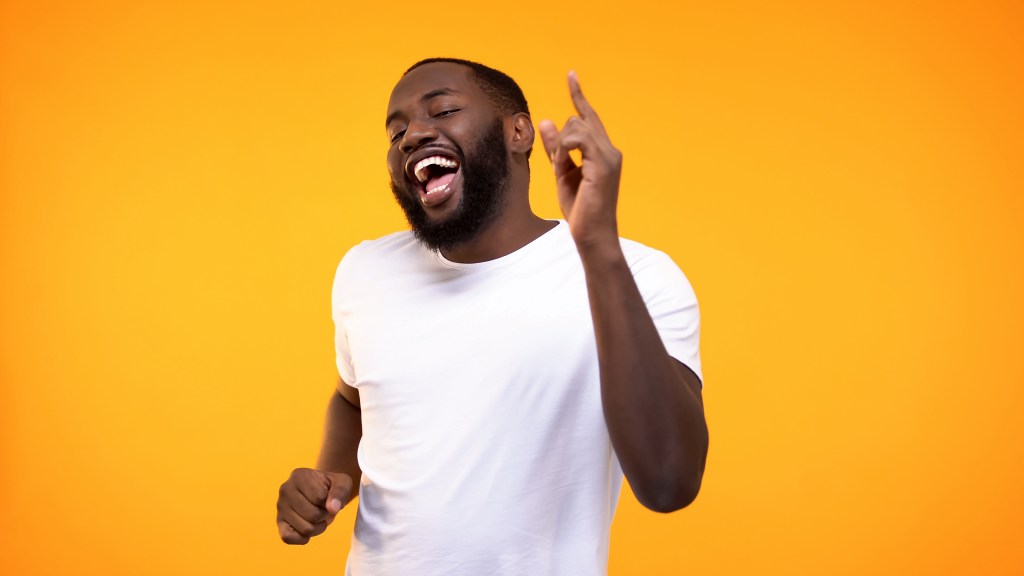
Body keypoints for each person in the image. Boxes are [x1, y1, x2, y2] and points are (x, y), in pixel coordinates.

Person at [275, 58, 709, 575]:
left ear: (519, 132)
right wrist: (330, 478)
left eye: (444, 109)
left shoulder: (635, 274)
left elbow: (668, 482)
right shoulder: (366, 270)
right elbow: (353, 400)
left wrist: (597, 247)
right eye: (396, 131)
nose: (412, 135)